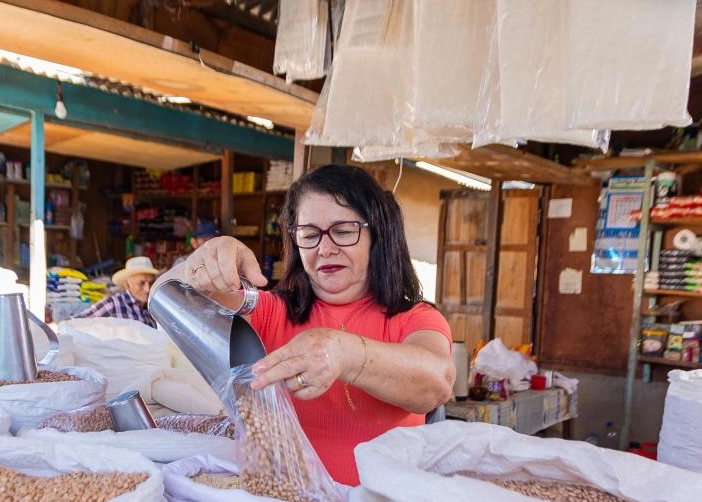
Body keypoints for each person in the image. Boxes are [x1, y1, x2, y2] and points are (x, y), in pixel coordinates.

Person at [155, 164, 455, 485]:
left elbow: (437, 382)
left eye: (343, 231)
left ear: (376, 235)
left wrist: (346, 354)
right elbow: (163, 301)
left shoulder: (414, 318)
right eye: (310, 235)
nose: (325, 249)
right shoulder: (271, 311)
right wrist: (198, 265)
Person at [75, 256, 160, 328]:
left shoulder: (153, 309)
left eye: (151, 283)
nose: (148, 289)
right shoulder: (113, 304)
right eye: (141, 283)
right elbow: (75, 323)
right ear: (127, 285)